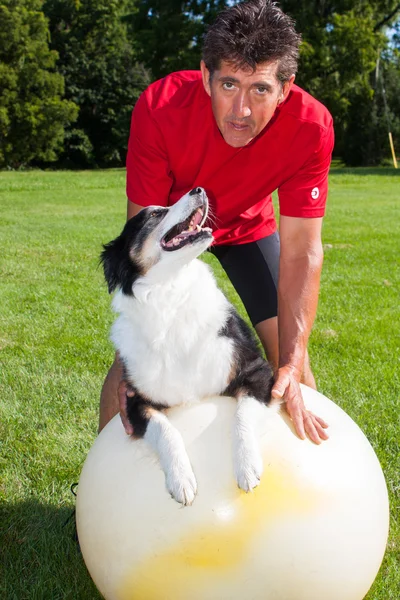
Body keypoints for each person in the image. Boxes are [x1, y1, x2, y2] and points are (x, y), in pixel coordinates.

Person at [99, 0, 333, 444]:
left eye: (260, 89)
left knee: (292, 372)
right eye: (229, 84)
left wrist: (292, 356)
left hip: (248, 230)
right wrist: (135, 359)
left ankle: (299, 500)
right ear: (206, 77)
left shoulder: (311, 127)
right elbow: (143, 245)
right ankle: (99, 501)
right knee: (129, 370)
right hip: (175, 235)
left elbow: (303, 248)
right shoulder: (160, 106)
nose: (240, 110)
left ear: (285, 89)